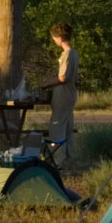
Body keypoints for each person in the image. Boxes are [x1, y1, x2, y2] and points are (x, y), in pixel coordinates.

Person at [40, 22, 79, 166]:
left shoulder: (67, 54)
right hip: (71, 94)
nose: (54, 41)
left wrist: (46, 84)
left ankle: (58, 160)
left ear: (60, 37)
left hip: (63, 96)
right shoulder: (74, 53)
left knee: (57, 127)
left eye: (55, 38)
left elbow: (62, 77)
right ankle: (69, 157)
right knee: (68, 127)